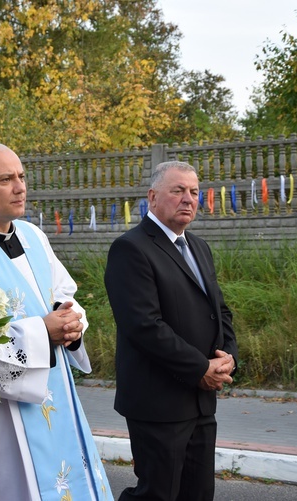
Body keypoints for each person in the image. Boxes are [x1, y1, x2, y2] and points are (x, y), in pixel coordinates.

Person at [0, 142, 112, 500]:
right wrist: (41, 332)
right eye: (6, 179)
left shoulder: (34, 236)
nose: (20, 187)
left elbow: (64, 294)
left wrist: (72, 324)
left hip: (56, 394)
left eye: (21, 177)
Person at [104, 161, 238, 501]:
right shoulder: (130, 248)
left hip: (201, 402)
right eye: (177, 191)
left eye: (194, 192)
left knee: (198, 494)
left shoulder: (198, 247)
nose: (188, 199)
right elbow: (143, 326)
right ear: (152, 196)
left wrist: (227, 358)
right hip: (158, 402)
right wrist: (199, 369)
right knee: (157, 494)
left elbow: (219, 310)